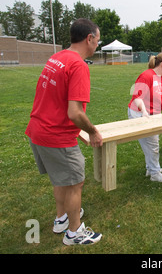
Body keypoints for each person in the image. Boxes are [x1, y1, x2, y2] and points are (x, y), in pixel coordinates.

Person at [25, 18, 103, 245]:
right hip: (55, 136)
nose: (97, 45)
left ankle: (61, 219)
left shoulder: (57, 57)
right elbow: (75, 113)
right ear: (89, 38)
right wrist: (93, 132)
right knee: (74, 183)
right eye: (97, 40)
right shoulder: (78, 65)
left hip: (38, 130)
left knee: (60, 180)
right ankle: (74, 232)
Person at [128, 52, 162, 182]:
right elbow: (137, 98)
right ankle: (155, 174)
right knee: (152, 144)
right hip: (139, 113)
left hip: (153, 114)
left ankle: (150, 168)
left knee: (152, 143)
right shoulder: (146, 76)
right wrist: (144, 112)